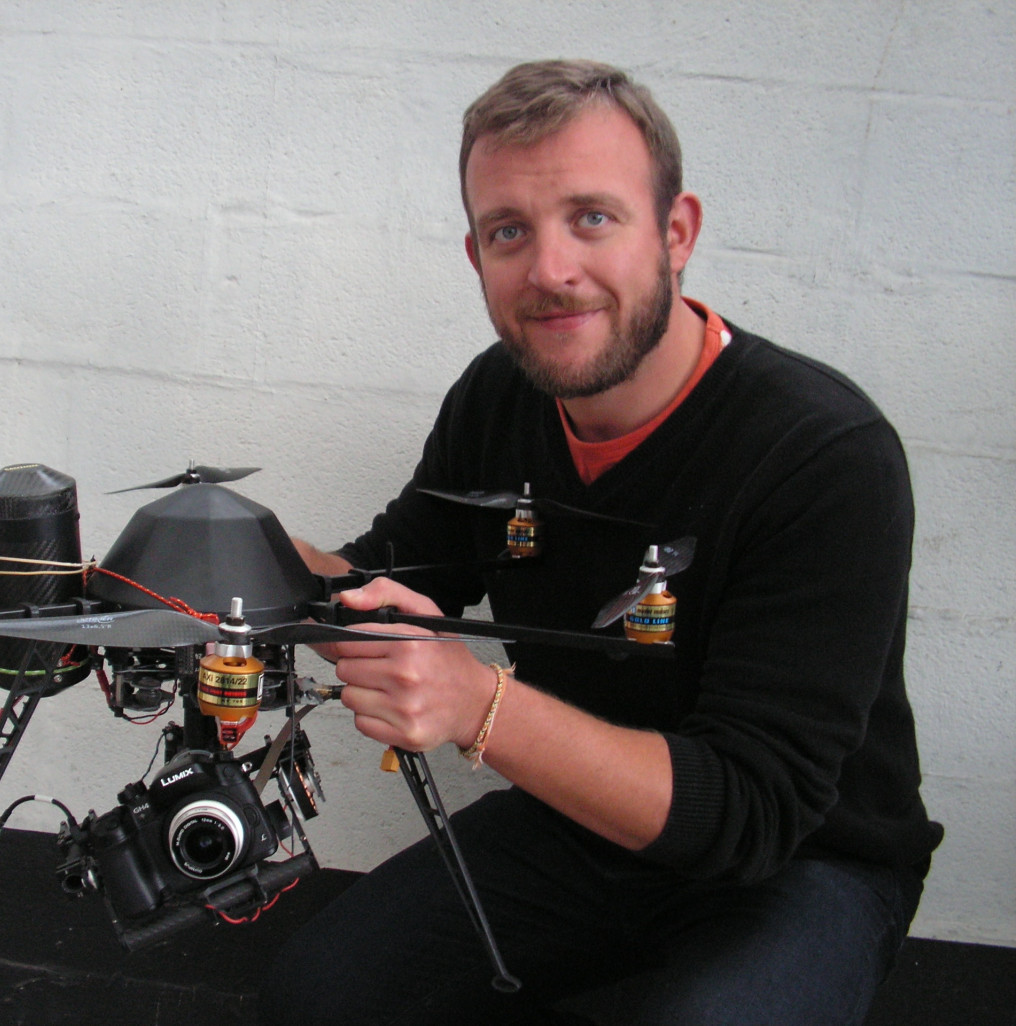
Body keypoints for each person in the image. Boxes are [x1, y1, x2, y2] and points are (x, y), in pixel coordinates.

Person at [259, 60, 942, 1026]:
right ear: (475, 256)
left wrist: (473, 702)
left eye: (592, 217)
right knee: (317, 996)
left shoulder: (824, 455)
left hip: (803, 861)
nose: (550, 271)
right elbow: (388, 583)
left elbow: (748, 812)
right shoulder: (500, 396)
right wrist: (242, 554)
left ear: (676, 233)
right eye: (510, 232)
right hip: (577, 826)